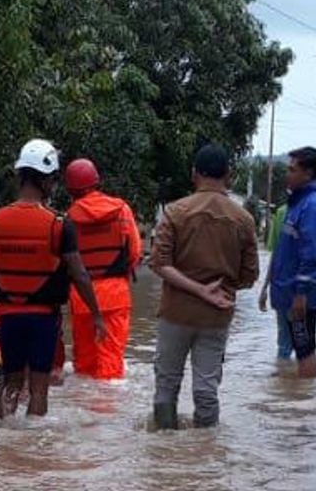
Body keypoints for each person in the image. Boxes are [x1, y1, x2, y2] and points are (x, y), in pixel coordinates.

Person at [0, 139, 105, 417]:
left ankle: (8, 438)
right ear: (45, 179)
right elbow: (80, 275)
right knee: (39, 389)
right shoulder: (59, 224)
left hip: (9, 317)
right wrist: (96, 315)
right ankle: (32, 448)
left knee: (12, 384)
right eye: (53, 179)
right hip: (43, 319)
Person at [149, 144, 258, 429]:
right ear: (229, 175)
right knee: (207, 387)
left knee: (166, 385)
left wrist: (196, 289)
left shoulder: (174, 212)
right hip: (217, 314)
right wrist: (215, 288)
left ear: (194, 174)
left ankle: (163, 452)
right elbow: (249, 276)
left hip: (176, 312)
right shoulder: (243, 219)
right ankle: (206, 454)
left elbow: (159, 264)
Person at [63, 158, 142, 379]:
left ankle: (84, 410)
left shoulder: (69, 217)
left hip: (82, 298)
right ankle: (108, 412)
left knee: (84, 364)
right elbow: (134, 252)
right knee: (111, 364)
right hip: (115, 295)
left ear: (70, 188)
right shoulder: (121, 210)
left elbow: (65, 261)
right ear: (96, 181)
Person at [269, 146, 316, 379]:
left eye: (292, 169)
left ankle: (305, 403)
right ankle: (302, 403)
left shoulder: (311, 206)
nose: (287, 174)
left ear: (307, 173)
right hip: (292, 292)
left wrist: (301, 293)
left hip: (300, 296)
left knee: (304, 347)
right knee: (302, 346)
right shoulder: (300, 203)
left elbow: (311, 253)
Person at [258, 201, 294, 366]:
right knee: (302, 343)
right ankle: (294, 386)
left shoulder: (281, 213)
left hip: (281, 286)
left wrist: (265, 288)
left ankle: (284, 383)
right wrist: (265, 288)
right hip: (298, 289)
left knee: (284, 343)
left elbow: (275, 256)